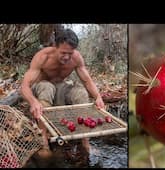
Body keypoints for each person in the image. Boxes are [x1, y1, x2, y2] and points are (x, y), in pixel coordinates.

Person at [20, 28, 105, 160]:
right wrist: (33, 101)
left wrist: (98, 97)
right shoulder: (43, 57)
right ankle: (44, 143)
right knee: (47, 87)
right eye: (63, 52)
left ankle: (85, 143)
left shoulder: (76, 58)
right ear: (55, 46)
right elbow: (24, 86)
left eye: (70, 53)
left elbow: (87, 81)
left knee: (80, 92)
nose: (66, 57)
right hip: (42, 88)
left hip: (60, 88)